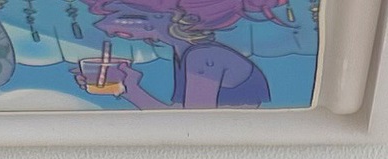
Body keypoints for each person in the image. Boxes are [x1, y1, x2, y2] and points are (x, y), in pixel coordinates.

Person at [74, 2, 278, 108]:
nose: (107, 27)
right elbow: (179, 113)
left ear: (167, 15)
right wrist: (128, 89)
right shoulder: (185, 53)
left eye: (124, 16)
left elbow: (194, 122)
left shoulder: (203, 57)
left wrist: (132, 90)